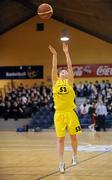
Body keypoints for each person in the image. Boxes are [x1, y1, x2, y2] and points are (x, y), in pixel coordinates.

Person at [49, 43, 81, 173]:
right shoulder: (55, 82)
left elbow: (69, 66)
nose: (64, 71)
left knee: (73, 137)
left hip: (70, 113)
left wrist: (66, 53)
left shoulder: (70, 81)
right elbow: (53, 66)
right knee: (60, 139)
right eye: (61, 71)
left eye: (65, 71)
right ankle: (61, 163)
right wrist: (55, 54)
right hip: (59, 114)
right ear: (58, 74)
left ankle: (74, 156)